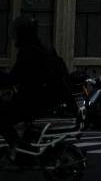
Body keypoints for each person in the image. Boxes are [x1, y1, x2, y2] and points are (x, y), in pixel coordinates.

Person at [0, 16, 73, 151]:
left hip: (34, 99)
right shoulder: (37, 48)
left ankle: (18, 150)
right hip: (39, 97)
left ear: (23, 33)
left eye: (17, 32)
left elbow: (16, 76)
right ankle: (23, 146)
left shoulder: (30, 52)